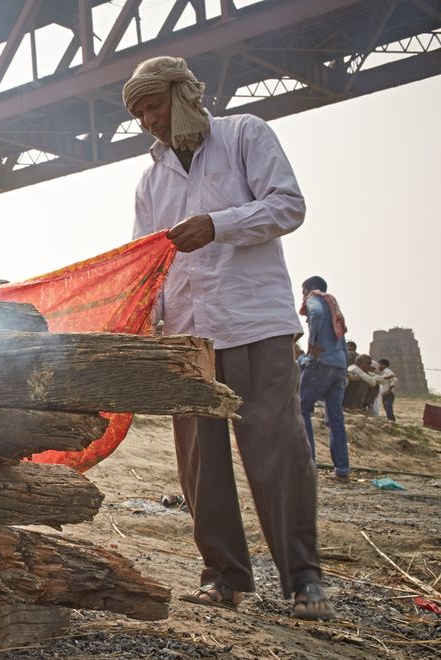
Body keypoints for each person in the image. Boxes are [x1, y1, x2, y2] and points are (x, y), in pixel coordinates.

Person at [124, 55, 334, 621]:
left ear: (184, 95)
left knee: (277, 448)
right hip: (189, 337)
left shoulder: (245, 134)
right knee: (199, 462)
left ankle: (303, 578)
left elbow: (288, 206)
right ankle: (224, 575)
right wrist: (152, 320)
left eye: (153, 106)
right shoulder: (149, 180)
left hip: (254, 321)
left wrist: (219, 225)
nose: (148, 121)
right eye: (139, 113)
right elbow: (152, 263)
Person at [297, 276, 350, 481]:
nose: (302, 296)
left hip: (321, 363)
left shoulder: (315, 300)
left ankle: (309, 464)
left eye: (303, 291)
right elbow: (342, 340)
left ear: (309, 289)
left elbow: (316, 315)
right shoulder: (334, 307)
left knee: (302, 409)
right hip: (338, 366)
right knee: (336, 417)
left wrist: (311, 343)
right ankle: (342, 470)